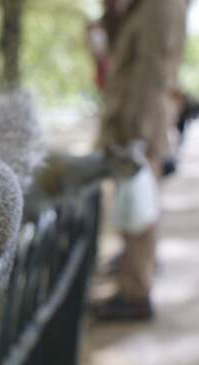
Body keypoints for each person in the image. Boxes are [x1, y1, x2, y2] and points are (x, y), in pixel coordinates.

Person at [92, 0, 188, 320]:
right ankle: (132, 277)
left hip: (139, 126)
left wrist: (139, 131)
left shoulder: (162, 5)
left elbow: (154, 69)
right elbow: (124, 55)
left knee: (141, 210)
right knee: (135, 207)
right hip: (130, 124)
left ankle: (135, 293)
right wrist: (112, 14)